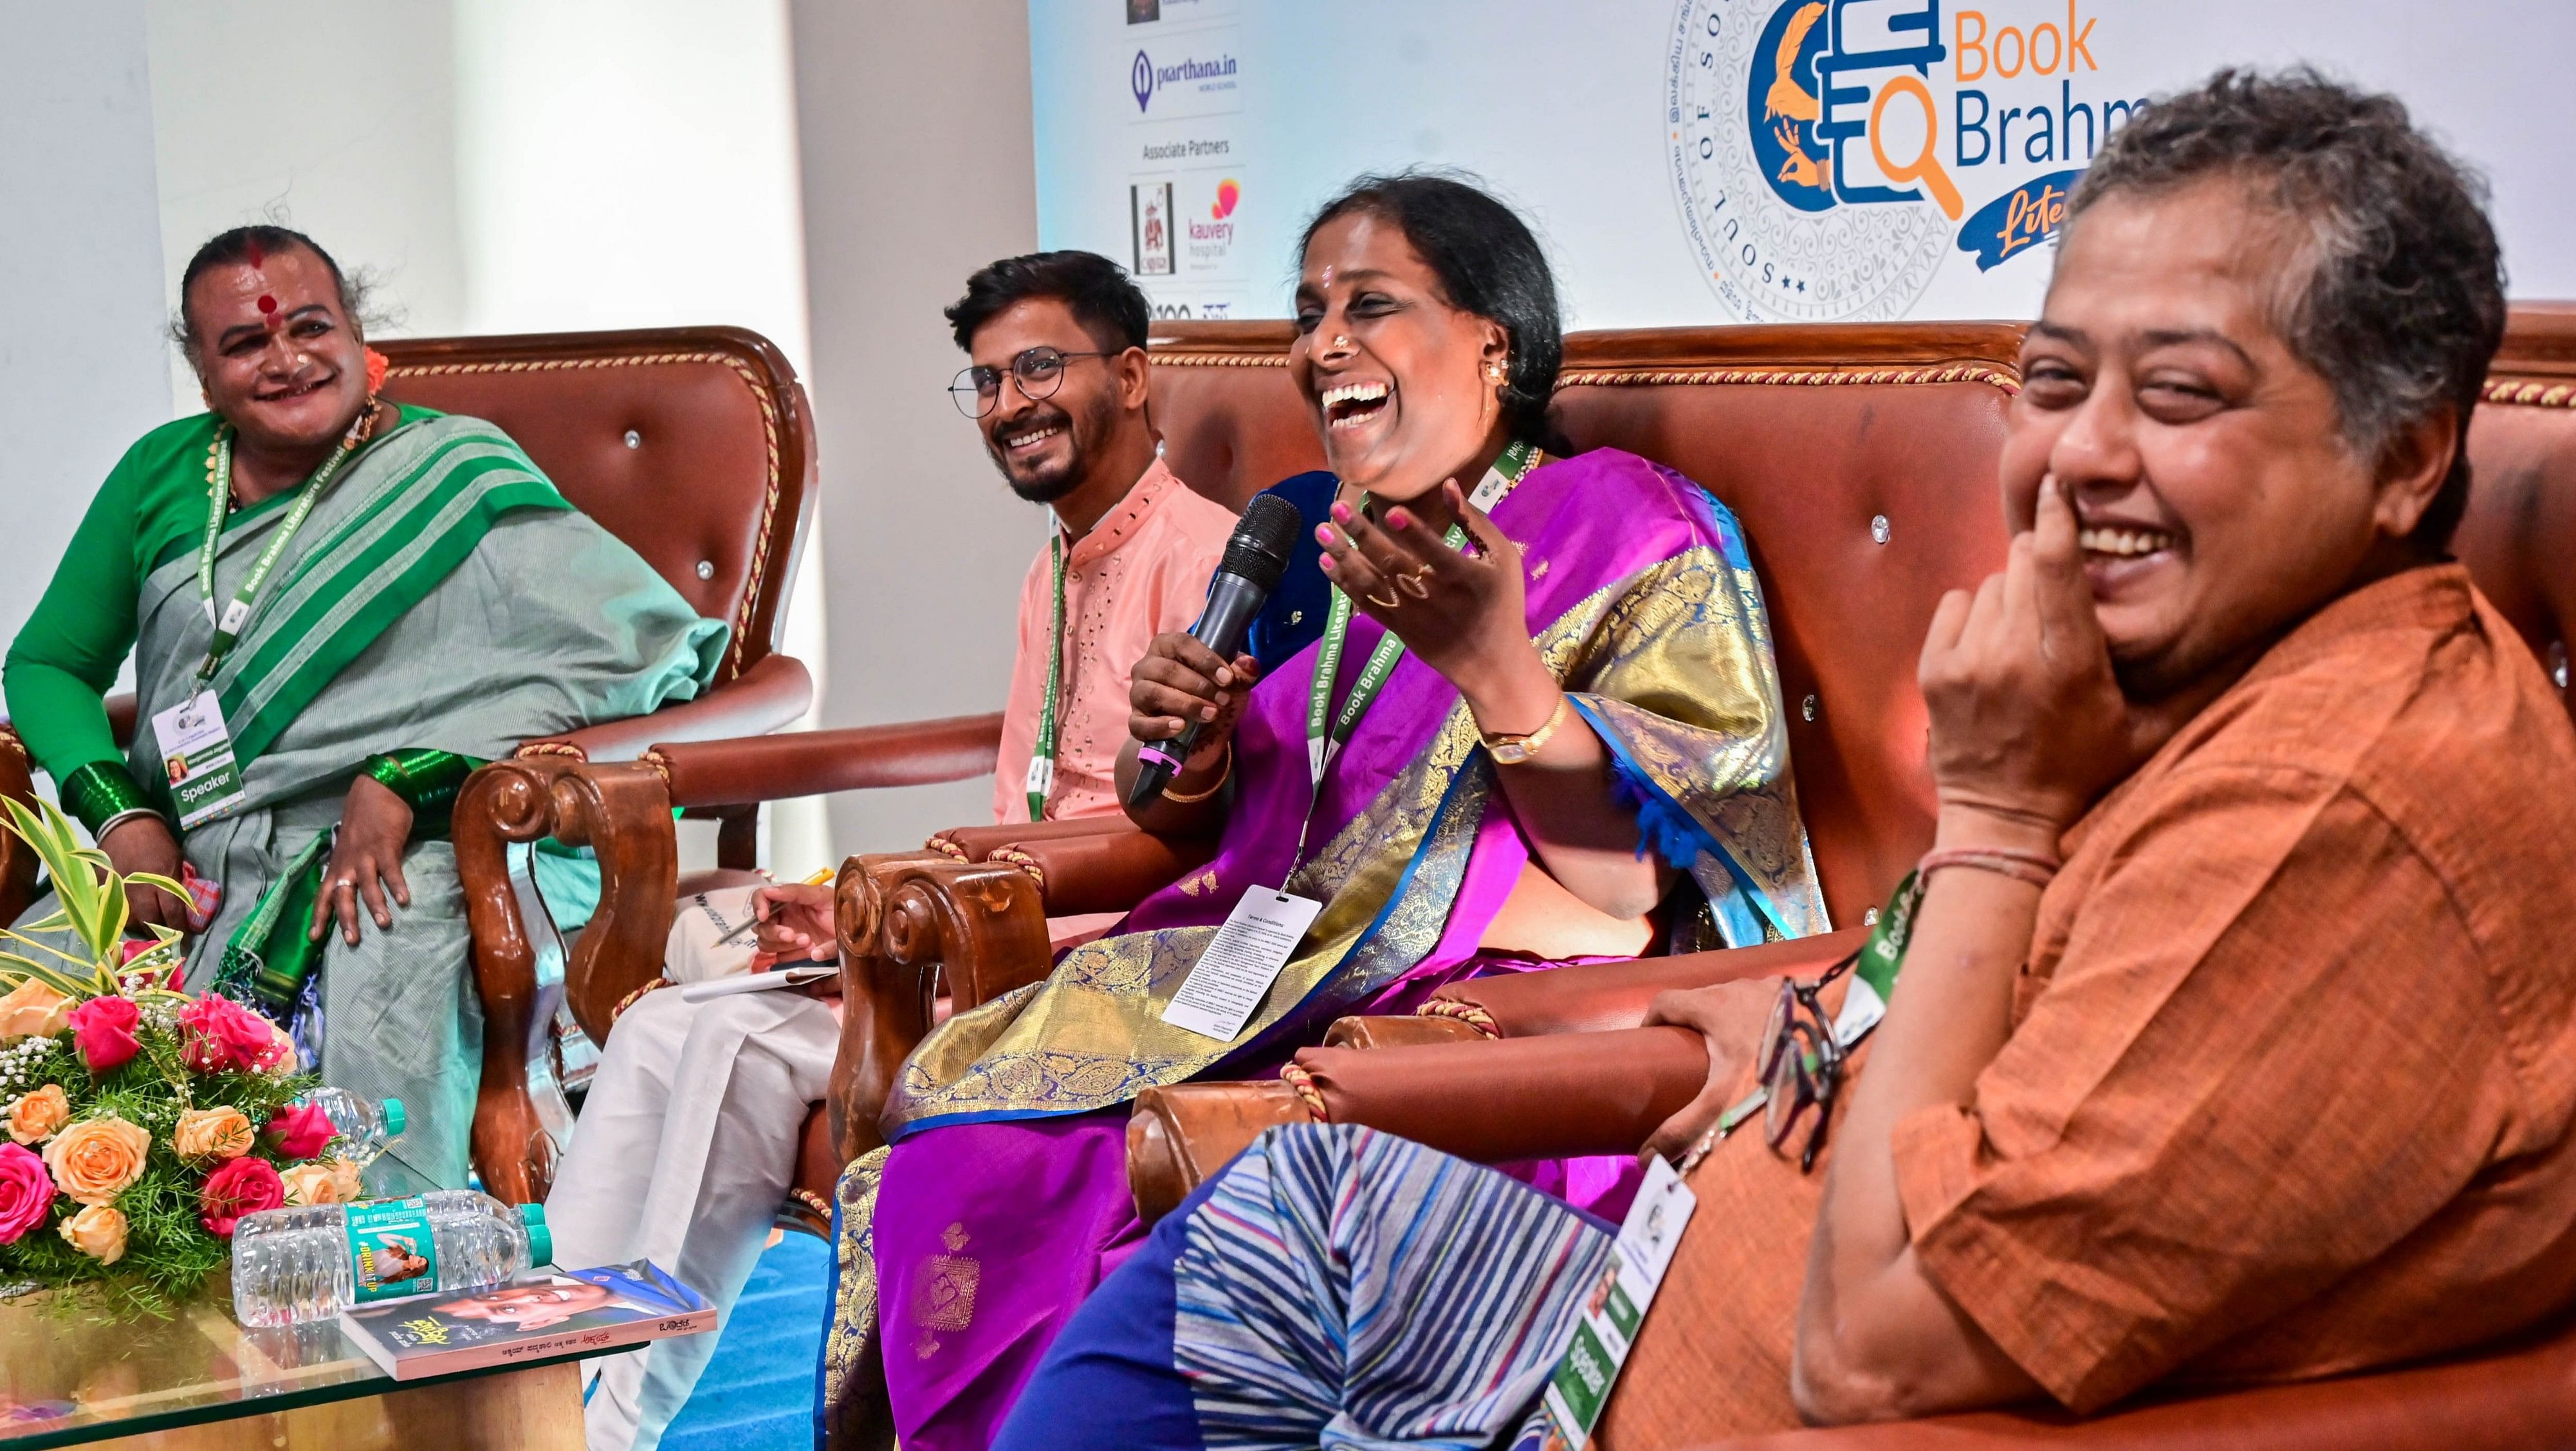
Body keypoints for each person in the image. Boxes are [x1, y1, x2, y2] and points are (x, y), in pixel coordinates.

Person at [996, 70, 2576, 1447]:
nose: (2084, 452)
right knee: (1276, 1218)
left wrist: (2001, 812)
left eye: (2179, 394)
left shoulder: (2336, 804)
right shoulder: (2221, 687)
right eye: (2052, 381)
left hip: (1670, 1397)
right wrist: (1820, 1021)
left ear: (2407, 453)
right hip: (1632, 1297)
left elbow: (1873, 1353)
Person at [816, 173, 1829, 1450]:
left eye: (1370, 306)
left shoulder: (1633, 525)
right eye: (1307, 313)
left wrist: (1499, 672)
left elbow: (1654, 886)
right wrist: (1192, 748)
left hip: (1486, 1034)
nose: (1321, 345)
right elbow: (1266, 829)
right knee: (962, 1158)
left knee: (1138, 1204)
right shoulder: (1336, 542)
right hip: (1269, 975)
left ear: (1492, 341)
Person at [545, 250, 1238, 1451]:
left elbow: (1188, 832)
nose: (1009, 404)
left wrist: (924, 901)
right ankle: (554, 1377)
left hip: (1101, 966)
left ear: (1129, 376)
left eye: (1037, 368)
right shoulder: (1058, 566)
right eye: (983, 383)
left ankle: (612, 1428)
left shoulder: (1202, 560)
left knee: (735, 1045)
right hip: (985, 930)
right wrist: (866, 907)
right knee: (666, 1022)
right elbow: (1029, 793)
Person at [2, 225, 724, 1196]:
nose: (288, 359)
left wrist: (409, 777)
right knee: (36, 999)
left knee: (390, 962)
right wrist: (124, 823)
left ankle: (395, 1285)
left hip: (412, 836)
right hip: (184, 851)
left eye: (312, 327)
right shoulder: (162, 474)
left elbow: (628, 662)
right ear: (203, 374)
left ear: (360, 338)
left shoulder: (454, 471)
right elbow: (46, 664)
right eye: (246, 344)